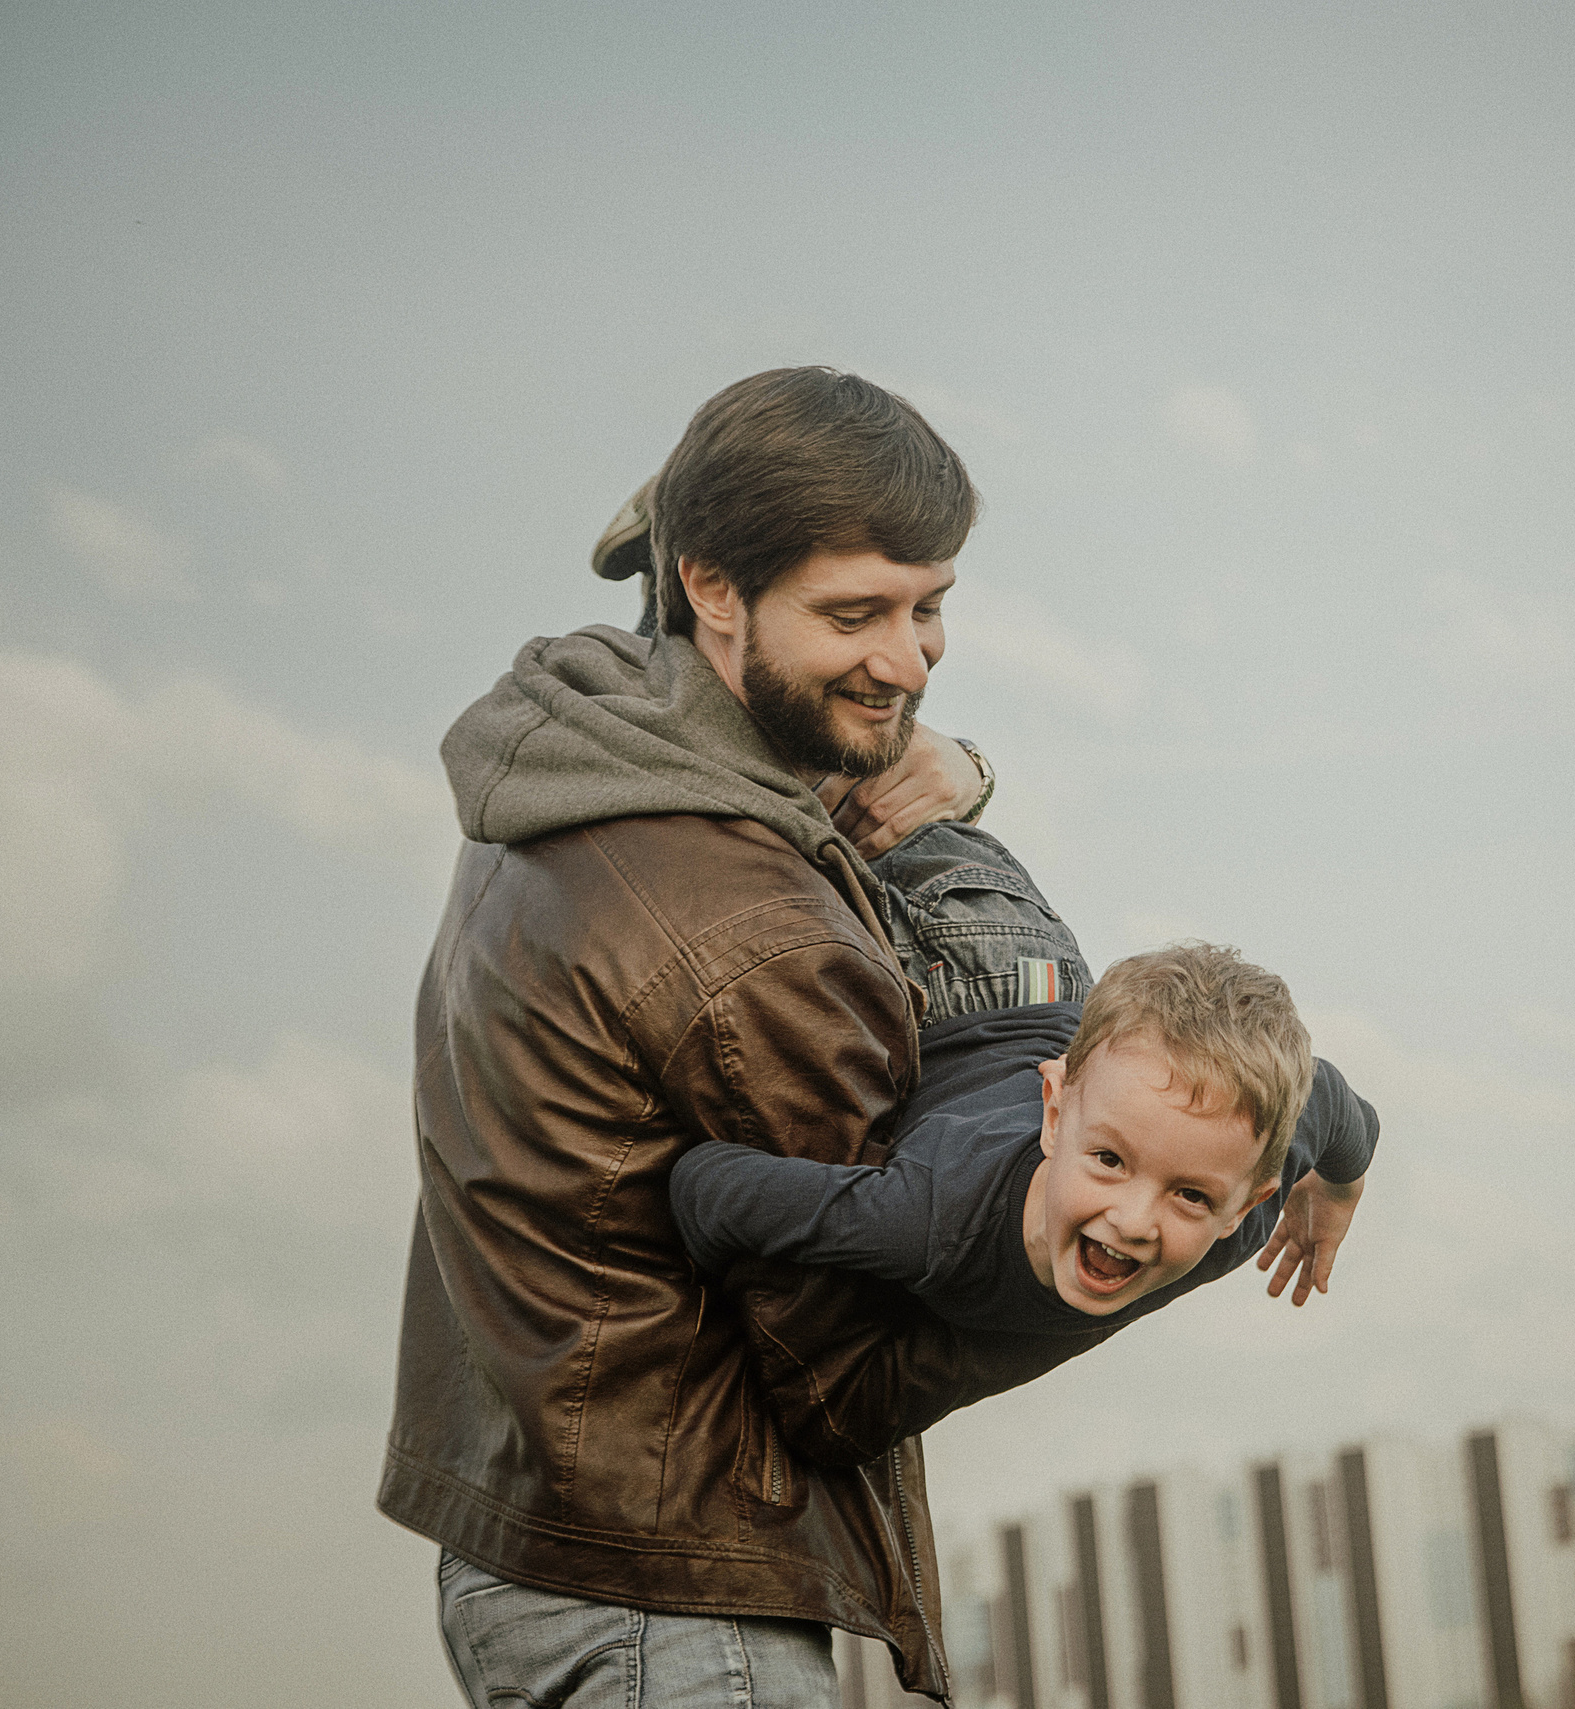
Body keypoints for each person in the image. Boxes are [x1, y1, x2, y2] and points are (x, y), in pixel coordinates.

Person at [381, 367, 1093, 1708]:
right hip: (671, 1606)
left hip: (538, 1548)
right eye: (855, 614)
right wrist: (1155, 1215)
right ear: (712, 586)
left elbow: (815, 750)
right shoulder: (757, 932)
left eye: (930, 606)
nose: (909, 658)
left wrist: (960, 775)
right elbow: (849, 1365)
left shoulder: (585, 744)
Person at [669, 829, 1378, 1339]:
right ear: (1054, 1110)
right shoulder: (930, 1220)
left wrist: (1339, 1190)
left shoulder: (1244, 1194)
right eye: (1109, 1159)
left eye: (1190, 1195)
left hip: (1082, 1022)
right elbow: (705, 1188)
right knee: (853, 802)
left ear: (1245, 1204)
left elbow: (1338, 1109)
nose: (1132, 1219)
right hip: (965, 964)